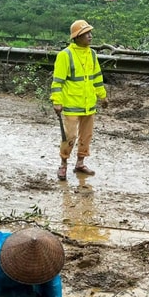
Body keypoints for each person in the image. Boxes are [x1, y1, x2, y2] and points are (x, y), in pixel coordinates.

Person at [51, 19, 109, 180]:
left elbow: (97, 77)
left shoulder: (92, 54)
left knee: (86, 136)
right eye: (86, 34)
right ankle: (63, 163)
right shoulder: (65, 55)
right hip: (71, 105)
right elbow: (58, 81)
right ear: (77, 37)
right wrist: (57, 101)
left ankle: (80, 163)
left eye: (90, 33)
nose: (90, 36)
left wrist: (102, 96)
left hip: (88, 104)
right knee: (70, 136)